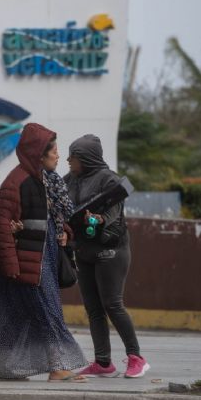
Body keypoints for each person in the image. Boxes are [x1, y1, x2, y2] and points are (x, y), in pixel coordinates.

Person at [0, 123, 87, 381]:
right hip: (27, 262)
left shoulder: (45, 180)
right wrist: (10, 265)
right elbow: (0, 227)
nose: (58, 155)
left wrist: (66, 232)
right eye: (54, 151)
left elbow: (53, 218)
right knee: (46, 312)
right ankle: (58, 367)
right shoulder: (16, 182)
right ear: (39, 154)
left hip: (44, 257)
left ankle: (9, 368)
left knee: (21, 316)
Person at [65, 135, 149, 378]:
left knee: (112, 303)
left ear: (88, 159)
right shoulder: (70, 179)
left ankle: (136, 357)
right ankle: (103, 362)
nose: (69, 160)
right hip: (84, 250)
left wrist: (99, 219)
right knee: (93, 308)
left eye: (75, 156)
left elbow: (112, 213)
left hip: (111, 250)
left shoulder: (109, 180)